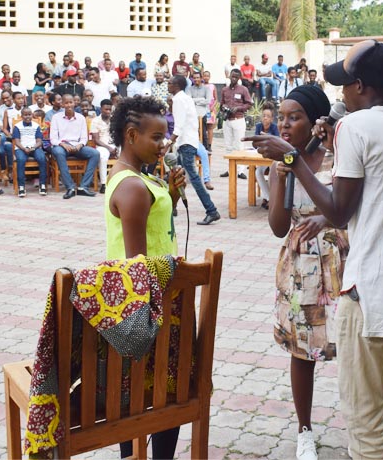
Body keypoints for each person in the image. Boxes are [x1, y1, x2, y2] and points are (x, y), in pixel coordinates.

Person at [245, 40, 383, 459]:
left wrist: (294, 159)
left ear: (360, 86)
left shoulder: (355, 128)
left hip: (366, 291)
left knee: (364, 421)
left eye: (344, 86)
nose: (340, 95)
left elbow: (339, 209)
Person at [262, 85, 342, 460]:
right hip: (300, 268)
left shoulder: (337, 156)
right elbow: (279, 226)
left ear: (315, 122)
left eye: (294, 117)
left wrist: (325, 218)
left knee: (351, 344)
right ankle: (304, 430)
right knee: (301, 351)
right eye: (281, 117)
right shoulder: (281, 165)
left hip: (340, 260)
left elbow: (351, 205)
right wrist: (281, 174)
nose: (285, 124)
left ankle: (360, 420)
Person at [105, 95, 186, 460]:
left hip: (146, 302)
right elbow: (138, 266)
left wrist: (168, 192)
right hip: (149, 306)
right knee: (164, 393)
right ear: (131, 134)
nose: (162, 145)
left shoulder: (133, 176)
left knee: (135, 392)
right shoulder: (133, 187)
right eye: (156, 138)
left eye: (165, 137)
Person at [168, 75, 220, 225]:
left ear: (177, 85)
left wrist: (167, 144)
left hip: (185, 144)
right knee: (174, 175)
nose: (168, 85)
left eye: (170, 83)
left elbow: (179, 125)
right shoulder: (184, 98)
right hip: (187, 142)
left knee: (193, 178)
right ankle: (172, 207)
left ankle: (211, 210)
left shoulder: (179, 99)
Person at [50, 94, 100, 199]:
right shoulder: (56, 118)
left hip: (77, 146)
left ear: (74, 103)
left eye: (71, 102)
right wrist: (62, 144)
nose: (68, 105)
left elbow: (84, 138)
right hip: (62, 146)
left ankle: (83, 187)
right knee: (58, 153)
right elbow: (53, 139)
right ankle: (70, 187)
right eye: (66, 103)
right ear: (62, 104)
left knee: (95, 153)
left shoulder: (81, 118)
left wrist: (80, 145)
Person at [219, 69, 251, 179]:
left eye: (236, 77)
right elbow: (221, 103)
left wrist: (238, 108)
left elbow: (249, 104)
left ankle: (240, 171)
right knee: (228, 145)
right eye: (232, 76)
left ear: (239, 78)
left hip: (238, 119)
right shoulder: (224, 90)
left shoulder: (243, 89)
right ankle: (229, 169)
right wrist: (223, 108)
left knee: (239, 145)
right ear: (229, 76)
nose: (234, 78)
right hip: (227, 120)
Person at [12, 107, 47, 197]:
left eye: (29, 114)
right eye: (25, 115)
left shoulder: (36, 126)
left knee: (42, 158)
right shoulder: (17, 126)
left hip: (34, 148)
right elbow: (17, 142)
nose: (27, 116)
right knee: (21, 160)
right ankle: (21, 186)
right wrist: (24, 149)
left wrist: (33, 148)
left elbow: (39, 141)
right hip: (21, 148)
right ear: (22, 116)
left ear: (32, 115)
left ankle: (42, 184)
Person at [253, 105, 279, 209]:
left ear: (272, 118)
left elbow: (277, 141)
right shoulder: (258, 126)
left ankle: (268, 198)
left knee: (273, 173)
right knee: (258, 171)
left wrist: (267, 138)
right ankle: (269, 198)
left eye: (268, 116)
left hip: (273, 157)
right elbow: (254, 143)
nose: (265, 118)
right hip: (262, 156)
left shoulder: (275, 127)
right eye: (263, 115)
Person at [90, 99, 117, 193]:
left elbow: (119, 135)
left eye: (110, 109)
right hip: (102, 146)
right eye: (106, 109)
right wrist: (109, 148)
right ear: (101, 109)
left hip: (115, 144)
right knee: (103, 157)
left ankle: (123, 183)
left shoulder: (115, 119)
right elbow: (96, 140)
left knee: (127, 153)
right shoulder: (95, 121)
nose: (108, 111)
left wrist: (116, 146)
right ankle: (104, 184)